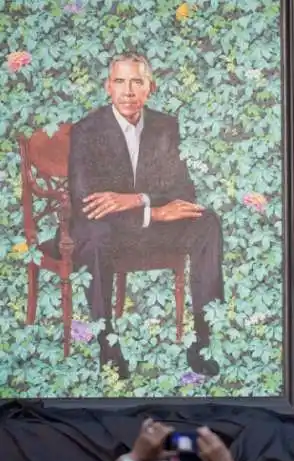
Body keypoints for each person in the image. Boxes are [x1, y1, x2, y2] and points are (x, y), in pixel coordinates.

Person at [68, 52, 222, 378]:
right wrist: (152, 213)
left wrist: (138, 200)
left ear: (149, 88)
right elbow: (88, 202)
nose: (128, 91)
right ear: (108, 87)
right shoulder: (87, 130)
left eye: (136, 81)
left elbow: (182, 189)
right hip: (105, 230)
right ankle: (108, 346)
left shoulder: (165, 125)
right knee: (95, 236)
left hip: (146, 225)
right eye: (120, 82)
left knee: (206, 222)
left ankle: (202, 340)